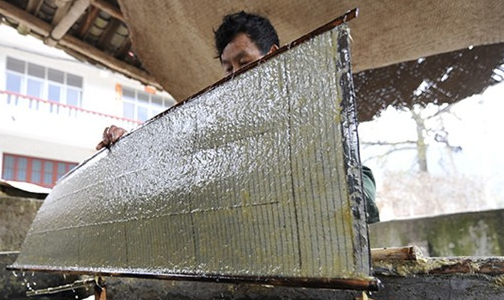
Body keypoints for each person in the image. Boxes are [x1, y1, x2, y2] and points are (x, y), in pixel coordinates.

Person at [96, 11, 380, 223]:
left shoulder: (310, 109)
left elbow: (361, 178)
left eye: (245, 62)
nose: (237, 75)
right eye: (228, 69)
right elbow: (175, 154)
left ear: (273, 55)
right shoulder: (221, 125)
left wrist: (338, 202)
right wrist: (128, 145)